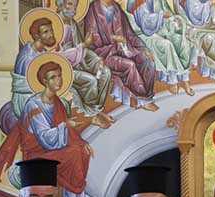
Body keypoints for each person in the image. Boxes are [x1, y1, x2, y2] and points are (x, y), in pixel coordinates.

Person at [0, 59, 97, 197]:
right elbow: (45, 138)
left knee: (81, 150)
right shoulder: (34, 105)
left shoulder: (57, 101)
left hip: (53, 147)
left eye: (59, 76)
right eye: (53, 77)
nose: (58, 80)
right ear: (44, 81)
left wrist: (81, 141)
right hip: (37, 153)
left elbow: (68, 130)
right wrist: (65, 125)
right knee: (74, 153)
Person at [85, 0, 159, 111]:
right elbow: (93, 39)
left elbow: (130, 34)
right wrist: (113, 39)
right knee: (129, 65)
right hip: (104, 54)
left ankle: (146, 96)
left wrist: (144, 49)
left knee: (148, 61)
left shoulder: (117, 8)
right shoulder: (93, 10)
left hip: (124, 49)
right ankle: (143, 100)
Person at [54, 0, 116, 128]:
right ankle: (93, 116)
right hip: (64, 68)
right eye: (70, 4)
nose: (74, 8)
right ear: (61, 3)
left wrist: (96, 58)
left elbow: (81, 47)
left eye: (75, 5)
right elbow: (58, 56)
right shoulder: (54, 24)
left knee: (105, 72)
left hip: (79, 60)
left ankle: (97, 109)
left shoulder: (72, 22)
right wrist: (84, 45)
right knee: (91, 81)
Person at [125, 0, 195, 96]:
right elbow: (144, 22)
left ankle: (184, 78)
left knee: (182, 42)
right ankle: (172, 79)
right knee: (166, 45)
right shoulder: (137, 1)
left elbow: (168, 14)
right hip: (143, 34)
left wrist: (175, 21)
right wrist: (161, 15)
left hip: (160, 30)